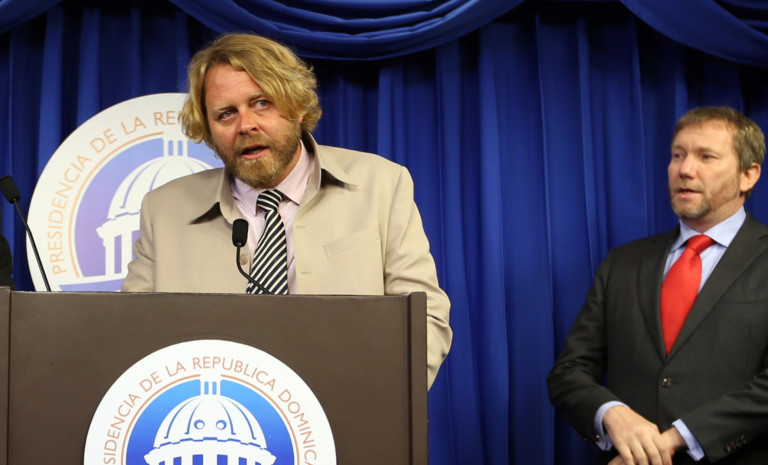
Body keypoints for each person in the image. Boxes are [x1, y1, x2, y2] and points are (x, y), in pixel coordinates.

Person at [121, 33, 451, 388]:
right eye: (226, 114)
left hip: (350, 406)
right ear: (209, 131)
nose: (246, 125)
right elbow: (130, 336)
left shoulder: (381, 185)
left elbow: (424, 319)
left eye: (261, 103)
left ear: (297, 106)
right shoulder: (163, 210)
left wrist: (376, 402)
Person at [548, 106, 768, 464]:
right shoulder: (623, 262)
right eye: (678, 155)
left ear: (748, 175)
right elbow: (569, 372)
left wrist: (674, 440)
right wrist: (610, 413)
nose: (685, 169)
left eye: (706, 157)